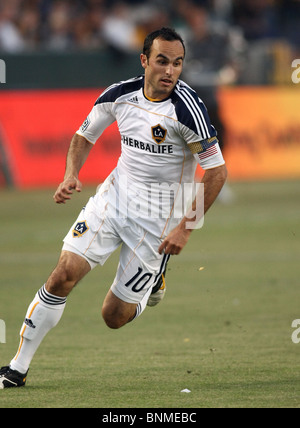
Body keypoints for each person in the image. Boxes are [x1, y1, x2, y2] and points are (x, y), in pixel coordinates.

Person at [0, 27, 227, 388]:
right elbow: (83, 136)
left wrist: (185, 228)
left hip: (156, 224)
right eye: (162, 61)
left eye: (178, 63)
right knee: (62, 275)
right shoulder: (119, 95)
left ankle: (156, 275)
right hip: (111, 202)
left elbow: (216, 171)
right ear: (144, 61)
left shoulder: (186, 110)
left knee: (113, 316)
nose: (170, 71)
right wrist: (70, 174)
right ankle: (16, 368)